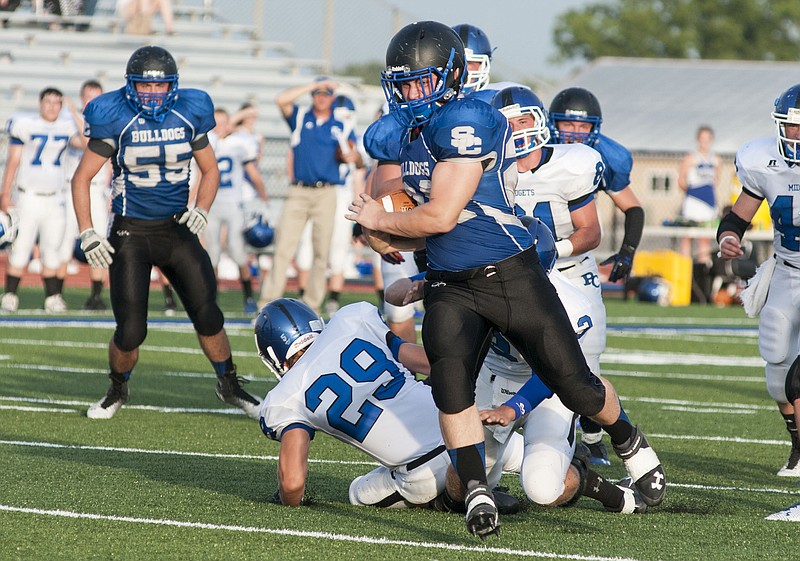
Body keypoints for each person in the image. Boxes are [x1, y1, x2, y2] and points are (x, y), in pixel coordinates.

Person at [348, 21, 665, 538]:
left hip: (510, 273)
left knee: (576, 386)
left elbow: (443, 215)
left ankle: (627, 437)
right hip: (451, 279)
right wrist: (382, 238)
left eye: (421, 81)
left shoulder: (467, 120)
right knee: (450, 383)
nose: (410, 94)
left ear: (450, 79)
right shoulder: (398, 136)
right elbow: (420, 236)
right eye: (402, 84)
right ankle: (475, 490)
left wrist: (380, 219)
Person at [385, 219, 648, 515]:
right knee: (460, 485)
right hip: (492, 378)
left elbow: (556, 374)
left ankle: (582, 469)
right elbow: (394, 293)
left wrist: (514, 408)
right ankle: (484, 484)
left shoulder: (572, 306)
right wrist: (421, 284)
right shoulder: (476, 278)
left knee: (543, 487)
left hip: (548, 393)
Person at [71, 45, 260, 420]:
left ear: (173, 86)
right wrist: (88, 232)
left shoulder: (189, 113)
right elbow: (82, 178)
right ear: (131, 86)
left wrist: (201, 209)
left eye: (159, 87)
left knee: (208, 314)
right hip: (131, 232)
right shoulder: (115, 117)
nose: (152, 94)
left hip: (176, 228)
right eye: (144, 87)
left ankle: (229, 384)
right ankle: (117, 388)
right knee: (130, 329)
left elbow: (211, 170)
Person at [548, 86, 646, 466]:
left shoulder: (604, 157)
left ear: (595, 128)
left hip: (576, 265)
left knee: (589, 354)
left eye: (581, 124)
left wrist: (628, 251)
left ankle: (590, 435)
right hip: (530, 266)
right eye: (566, 122)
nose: (573, 130)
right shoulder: (530, 150)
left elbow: (632, 208)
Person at [717, 83, 800, 478]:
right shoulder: (763, 161)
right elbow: (737, 218)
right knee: (778, 373)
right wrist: (729, 238)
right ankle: (797, 445)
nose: (793, 135)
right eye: (789, 126)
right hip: (786, 271)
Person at [258, 77, 362, 314]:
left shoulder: (341, 123)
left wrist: (350, 156)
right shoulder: (301, 116)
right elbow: (280, 99)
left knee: (321, 251)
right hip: (298, 190)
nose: (321, 97)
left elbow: (357, 158)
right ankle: (267, 302)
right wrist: (311, 85)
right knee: (284, 246)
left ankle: (312, 305)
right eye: (317, 93)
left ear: (333, 98)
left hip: (326, 191)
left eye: (326, 93)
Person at [1, 87, 80, 313]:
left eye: (57, 102)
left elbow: (86, 142)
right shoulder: (26, 124)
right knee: (21, 246)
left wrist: (74, 113)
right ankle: (10, 295)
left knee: (52, 248)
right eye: (48, 101)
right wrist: (5, 194)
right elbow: (13, 161)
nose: (52, 106)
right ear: (40, 103)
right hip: (28, 196)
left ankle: (53, 297)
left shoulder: (68, 125)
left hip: (56, 198)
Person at [294, 94, 365, 317]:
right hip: (326, 194)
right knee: (307, 247)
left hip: (342, 199)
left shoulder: (352, 137)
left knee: (337, 251)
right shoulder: (322, 133)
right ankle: (305, 296)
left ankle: (332, 299)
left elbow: (358, 169)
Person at [200, 107, 269, 314]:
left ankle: (248, 296)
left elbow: (253, 172)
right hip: (212, 203)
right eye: (216, 122)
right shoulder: (207, 140)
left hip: (233, 205)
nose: (220, 126)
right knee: (211, 253)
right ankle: (211, 298)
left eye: (224, 122)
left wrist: (263, 196)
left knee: (238, 251)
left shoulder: (239, 142)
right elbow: (200, 173)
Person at [58, 79, 111, 311]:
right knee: (63, 240)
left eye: (96, 96)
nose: (92, 101)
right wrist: (73, 113)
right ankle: (56, 295)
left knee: (98, 241)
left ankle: (96, 295)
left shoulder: (106, 119)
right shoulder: (68, 120)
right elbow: (86, 142)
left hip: (98, 188)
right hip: (72, 187)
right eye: (88, 96)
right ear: (81, 98)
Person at [678, 125, 722, 303]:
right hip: (693, 203)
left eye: (707, 138)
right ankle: (684, 276)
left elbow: (715, 182)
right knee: (687, 237)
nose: (704, 142)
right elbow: (681, 180)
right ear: (698, 139)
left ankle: (702, 280)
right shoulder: (690, 158)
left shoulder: (716, 160)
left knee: (704, 240)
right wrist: (693, 195)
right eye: (702, 138)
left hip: (708, 204)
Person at [452, 23, 494, 95]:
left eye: (469, 62)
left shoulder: (494, 99)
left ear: (482, 66)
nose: (463, 69)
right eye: (457, 62)